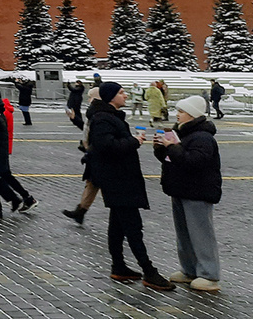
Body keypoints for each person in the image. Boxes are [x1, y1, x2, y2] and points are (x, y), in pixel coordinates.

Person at [86, 81, 174, 291]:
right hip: (118, 180)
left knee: (117, 226)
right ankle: (149, 271)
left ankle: (119, 266)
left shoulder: (110, 117)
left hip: (120, 179)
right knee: (133, 227)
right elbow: (106, 146)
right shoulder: (103, 119)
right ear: (110, 97)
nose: (125, 95)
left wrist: (132, 140)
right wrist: (134, 142)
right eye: (121, 92)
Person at [153, 95, 222, 291]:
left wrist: (172, 147)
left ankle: (209, 274)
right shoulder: (182, 133)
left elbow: (193, 161)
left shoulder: (202, 137)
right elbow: (174, 159)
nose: (177, 115)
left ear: (192, 114)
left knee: (201, 234)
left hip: (197, 191)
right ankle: (189, 269)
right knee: (184, 234)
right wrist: (161, 149)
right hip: (181, 189)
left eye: (181, 111)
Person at [63, 86, 102, 225]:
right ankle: (80, 211)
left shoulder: (98, 113)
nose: (88, 100)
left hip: (97, 155)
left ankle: (121, 215)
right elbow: (87, 130)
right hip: (92, 154)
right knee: (91, 184)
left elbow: (93, 133)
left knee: (99, 185)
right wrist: (74, 119)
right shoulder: (93, 112)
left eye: (90, 97)